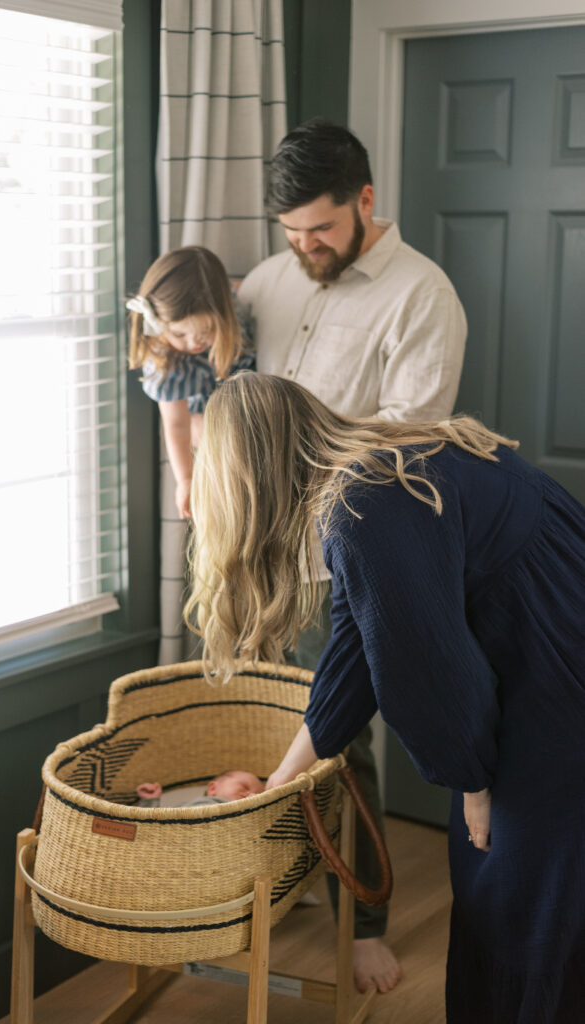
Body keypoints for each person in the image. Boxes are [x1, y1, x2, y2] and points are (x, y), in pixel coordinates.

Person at [185, 372, 585, 1023]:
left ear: (248, 469)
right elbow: (357, 649)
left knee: (517, 896)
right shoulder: (383, 465)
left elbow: (427, 675)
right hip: (555, 647)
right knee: (525, 886)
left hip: (561, 679)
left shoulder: (365, 506)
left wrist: (473, 784)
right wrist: (288, 776)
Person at [237, 118, 468, 992]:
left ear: (366, 202)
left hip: (343, 558)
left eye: (321, 231)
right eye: (291, 234)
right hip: (260, 549)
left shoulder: (422, 296)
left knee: (333, 735)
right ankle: (289, 875)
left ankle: (362, 916)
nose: (304, 248)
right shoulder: (273, 276)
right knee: (262, 715)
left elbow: (408, 448)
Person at [128, 245, 253, 518]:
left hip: (241, 388)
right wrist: (185, 479)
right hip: (205, 414)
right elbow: (176, 425)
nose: (195, 342)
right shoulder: (165, 363)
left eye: (206, 330)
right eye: (180, 334)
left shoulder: (229, 315)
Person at [136, 769, 264, 807]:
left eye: (257, 794)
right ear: (213, 788)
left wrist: (254, 807)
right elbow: (151, 824)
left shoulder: (239, 811)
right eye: (244, 787)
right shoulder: (187, 806)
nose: (250, 794)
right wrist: (151, 800)